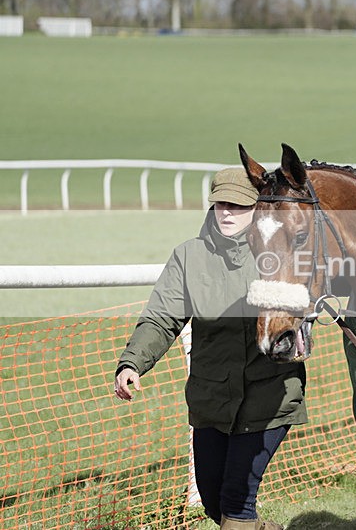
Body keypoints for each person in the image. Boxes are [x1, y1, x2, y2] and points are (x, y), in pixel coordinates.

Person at [114, 167, 307, 530]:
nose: (228, 212)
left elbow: (303, 301)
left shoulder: (278, 253)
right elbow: (161, 317)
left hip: (268, 396)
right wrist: (131, 364)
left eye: (238, 205)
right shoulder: (189, 257)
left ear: (258, 209)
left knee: (237, 498)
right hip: (211, 397)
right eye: (221, 204)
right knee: (213, 499)